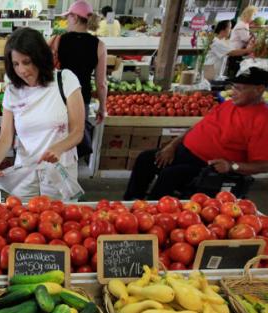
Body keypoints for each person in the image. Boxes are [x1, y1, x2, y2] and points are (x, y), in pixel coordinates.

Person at [124, 66, 268, 200]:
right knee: (145, 159)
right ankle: (131, 203)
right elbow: (198, 127)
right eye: (233, 87)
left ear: (259, 89)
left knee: (169, 175)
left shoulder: (262, 120)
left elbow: (263, 164)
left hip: (207, 166)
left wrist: (232, 166)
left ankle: (153, 215)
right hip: (184, 151)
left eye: (240, 88)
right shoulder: (228, 104)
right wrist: (173, 145)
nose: (233, 91)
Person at [0, 27, 85, 200]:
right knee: (21, 219)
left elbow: (78, 131)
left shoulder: (65, 80)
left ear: (40, 57)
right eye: (16, 64)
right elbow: (5, 136)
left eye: (27, 62)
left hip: (59, 170)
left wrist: (58, 148)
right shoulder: (12, 91)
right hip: (24, 172)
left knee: (59, 219)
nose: (22, 70)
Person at [53, 0, 107, 126]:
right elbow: (101, 84)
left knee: (58, 137)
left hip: (59, 97)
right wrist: (102, 108)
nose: (67, 20)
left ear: (75, 18)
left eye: (68, 17)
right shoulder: (99, 45)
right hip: (82, 99)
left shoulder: (59, 40)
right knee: (78, 138)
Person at [227, 5, 257, 77]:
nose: (253, 18)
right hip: (236, 51)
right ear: (249, 15)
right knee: (235, 70)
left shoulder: (244, 24)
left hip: (237, 50)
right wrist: (253, 36)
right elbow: (245, 39)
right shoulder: (242, 25)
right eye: (253, 15)